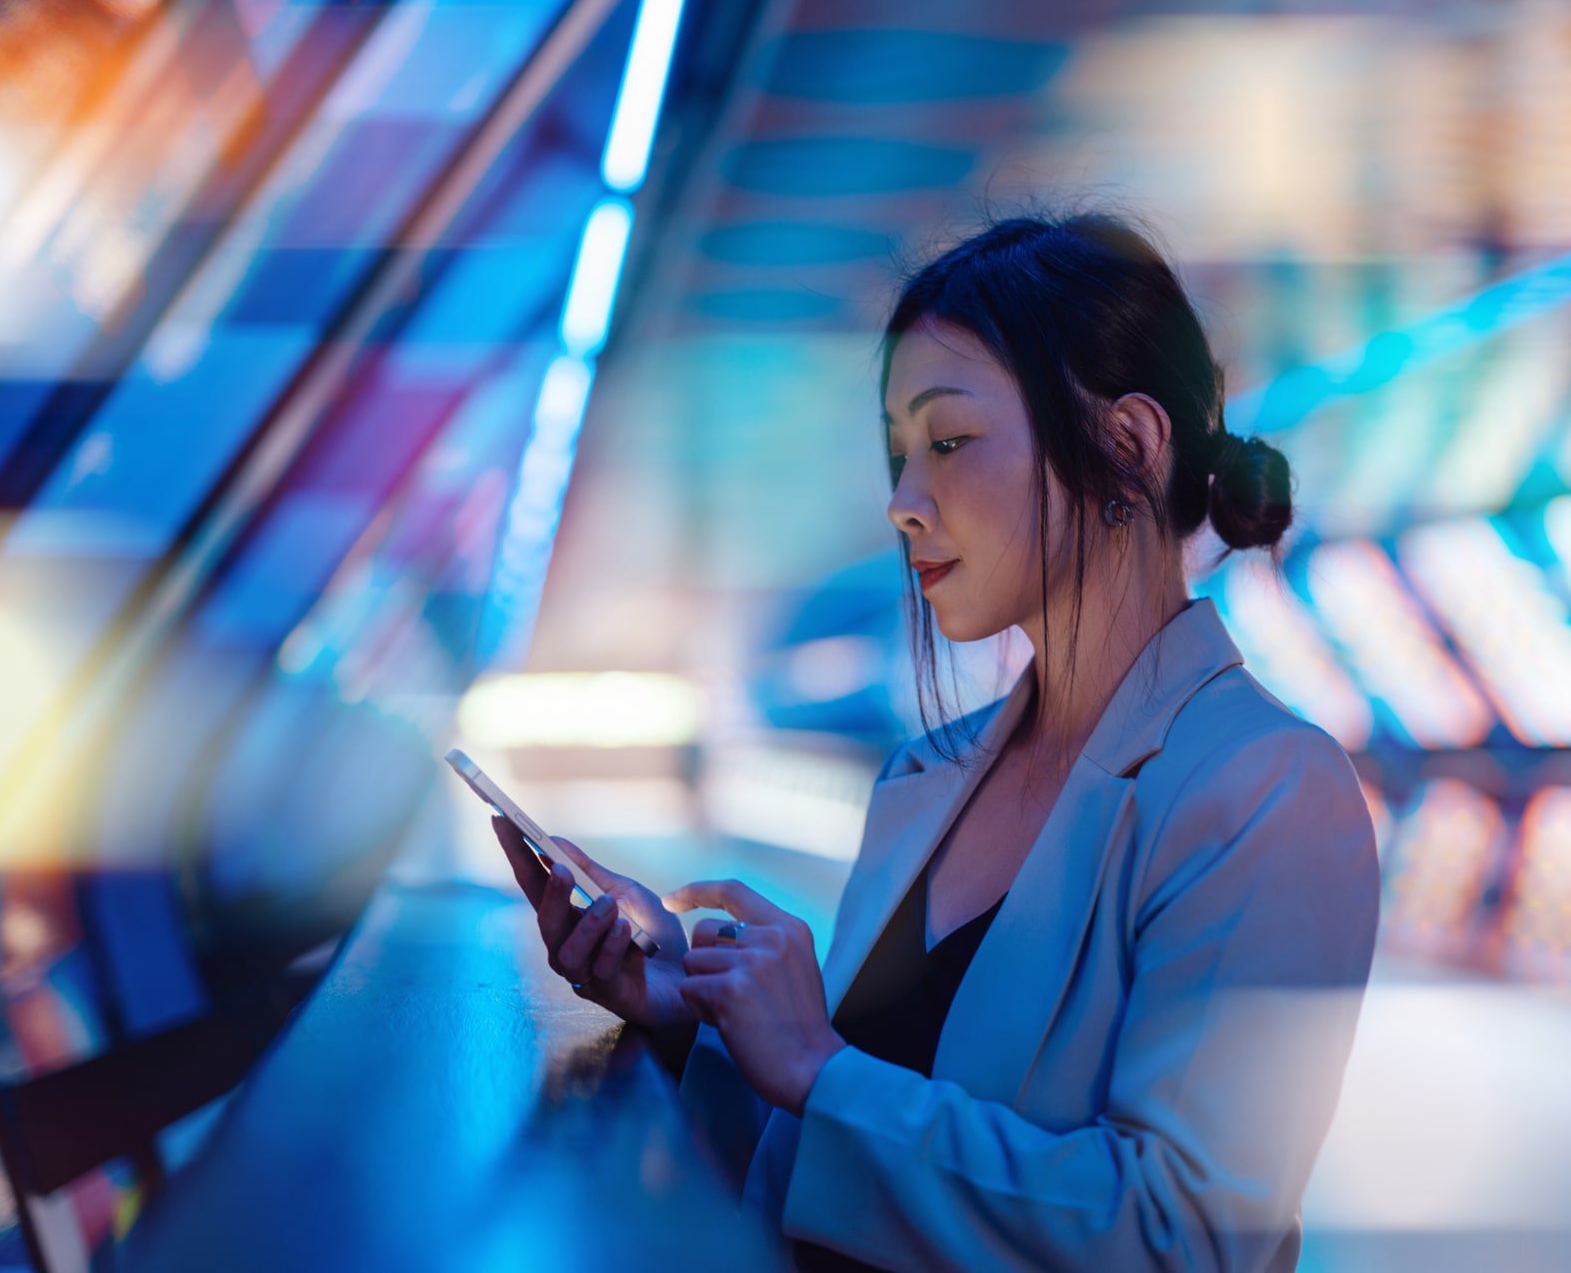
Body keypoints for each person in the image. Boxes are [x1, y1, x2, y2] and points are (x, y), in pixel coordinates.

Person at [493, 214, 1380, 1271]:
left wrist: (817, 1066)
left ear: (1129, 445)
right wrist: (696, 1014)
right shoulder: (931, 773)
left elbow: (1181, 1236)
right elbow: (848, 1146)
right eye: (898, 454)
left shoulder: (1268, 791)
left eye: (948, 441)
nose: (905, 504)